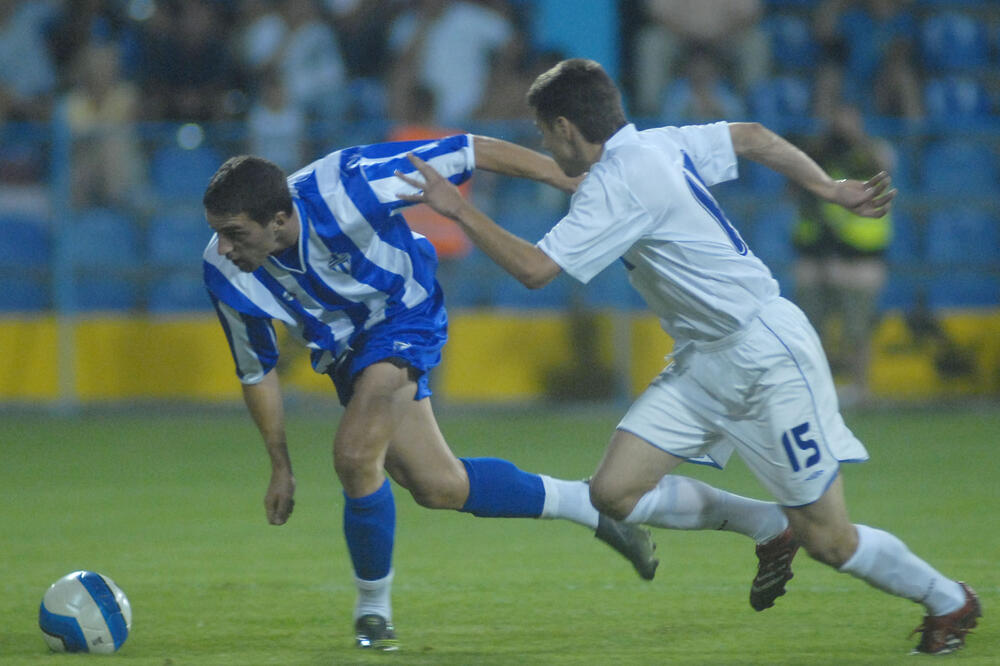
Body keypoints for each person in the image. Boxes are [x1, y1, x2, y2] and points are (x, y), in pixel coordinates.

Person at [397, 59, 981, 655]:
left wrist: (460, 208)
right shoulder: (660, 145)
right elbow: (752, 137)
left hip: (766, 359)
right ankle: (767, 523)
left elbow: (534, 270)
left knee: (831, 541)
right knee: (613, 493)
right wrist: (825, 186)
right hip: (706, 358)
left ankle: (949, 601)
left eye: (546, 132)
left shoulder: (613, 186)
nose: (546, 145)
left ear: (567, 128)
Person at [200, 132, 661, 652]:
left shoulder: (346, 186)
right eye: (218, 233)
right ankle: (588, 505)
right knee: (439, 485)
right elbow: (256, 370)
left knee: (354, 455)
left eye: (234, 234)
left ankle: (373, 614)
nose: (224, 247)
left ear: (279, 219)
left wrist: (562, 177)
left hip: (405, 315)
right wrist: (279, 464)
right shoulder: (223, 272)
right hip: (346, 353)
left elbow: (469, 149)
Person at [792, 104, 895, 406]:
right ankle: (816, 389)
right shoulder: (824, 154)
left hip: (863, 256)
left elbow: (883, 169)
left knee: (857, 328)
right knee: (813, 326)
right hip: (822, 252)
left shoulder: (875, 150)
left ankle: (861, 389)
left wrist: (857, 138)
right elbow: (800, 170)